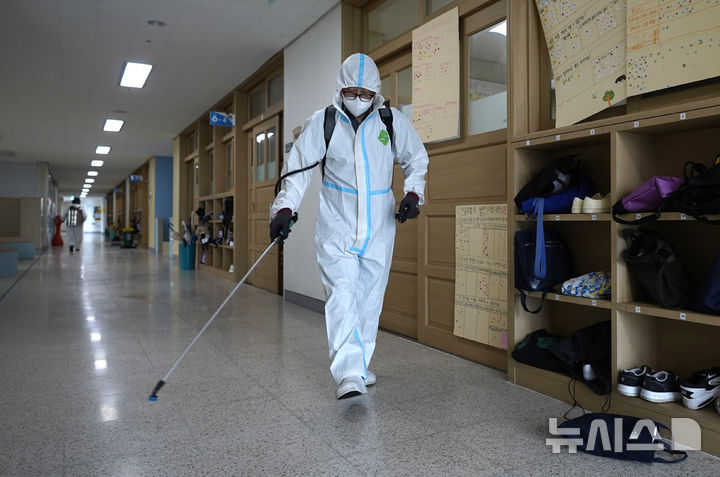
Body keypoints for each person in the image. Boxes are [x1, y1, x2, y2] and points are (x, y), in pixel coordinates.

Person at [270, 53, 429, 400]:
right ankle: (348, 374)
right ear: (341, 89)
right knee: (341, 296)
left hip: (380, 228)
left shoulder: (390, 122)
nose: (358, 100)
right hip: (337, 227)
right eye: (352, 92)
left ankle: (358, 366)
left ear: (376, 94)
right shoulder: (323, 122)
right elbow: (297, 170)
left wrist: (413, 193)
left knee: (369, 300)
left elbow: (415, 158)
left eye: (365, 93)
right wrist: (284, 208)